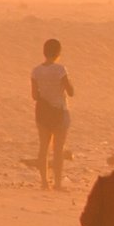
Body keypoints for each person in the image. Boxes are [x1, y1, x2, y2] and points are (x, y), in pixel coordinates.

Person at [31, 38, 74, 190]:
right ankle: (57, 183)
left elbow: (34, 96)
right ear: (58, 53)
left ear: (44, 52)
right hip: (60, 112)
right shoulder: (60, 69)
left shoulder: (36, 71)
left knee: (43, 147)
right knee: (58, 149)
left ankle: (44, 182)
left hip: (42, 112)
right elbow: (71, 92)